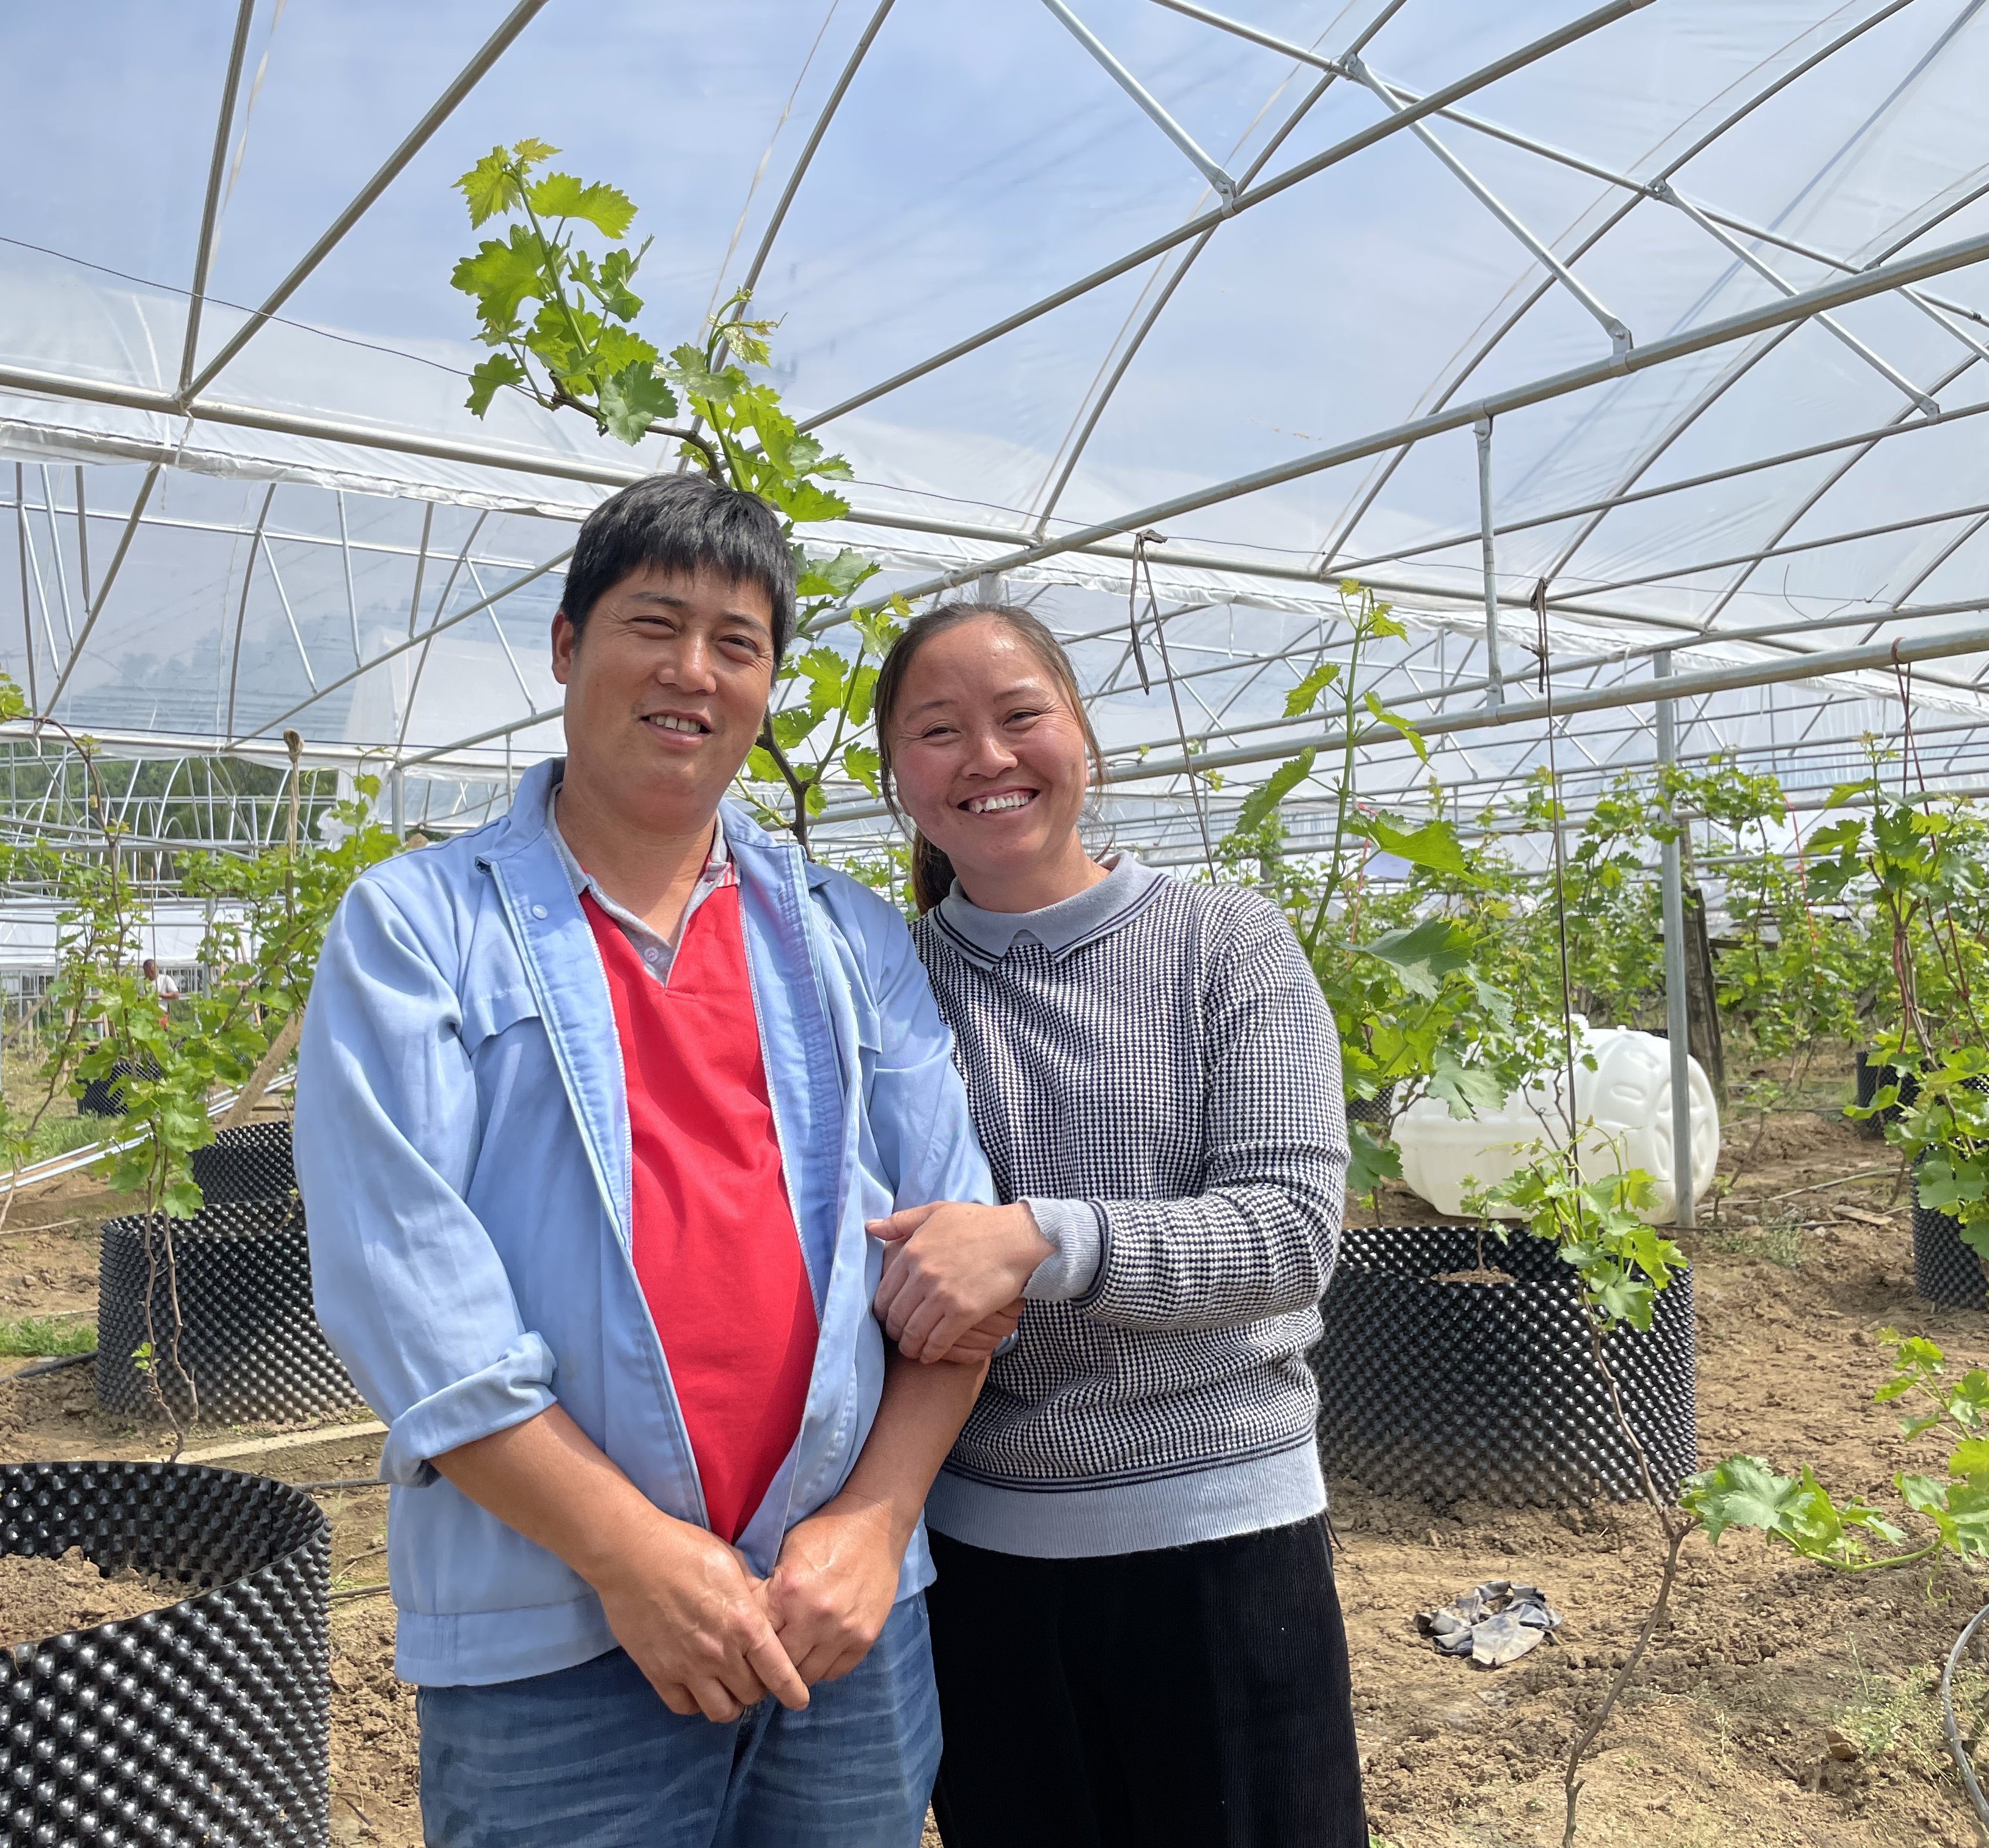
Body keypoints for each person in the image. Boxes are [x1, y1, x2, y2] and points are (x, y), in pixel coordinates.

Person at [295, 475, 1007, 1848]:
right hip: (556, 1635)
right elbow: (407, 1294)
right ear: (566, 646)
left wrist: (873, 1523)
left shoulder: (850, 941)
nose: (694, 672)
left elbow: (954, 1261)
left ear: (768, 687)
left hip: (839, 1625)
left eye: (738, 645)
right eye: (655, 625)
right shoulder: (419, 929)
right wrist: (631, 1558)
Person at [864, 601, 1367, 1847]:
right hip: (978, 1563)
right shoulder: (886, 981)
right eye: (938, 732)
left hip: (1223, 1542)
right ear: (895, 781)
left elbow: (1292, 1230)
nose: (987, 757)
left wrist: (1041, 1242)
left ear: (1083, 736)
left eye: (1020, 715)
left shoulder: (1227, 946)